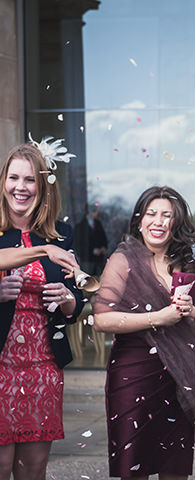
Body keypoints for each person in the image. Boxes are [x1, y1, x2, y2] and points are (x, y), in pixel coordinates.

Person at [92, 186, 195, 479]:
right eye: (151, 214)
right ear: (139, 221)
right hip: (133, 375)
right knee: (133, 465)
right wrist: (158, 318)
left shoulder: (190, 266)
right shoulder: (123, 261)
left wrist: (193, 313)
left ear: (176, 222)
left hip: (180, 380)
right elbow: (102, 320)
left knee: (174, 467)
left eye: (167, 215)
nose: (158, 221)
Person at [0, 142, 84, 480]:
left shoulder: (62, 234)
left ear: (43, 186)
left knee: (33, 468)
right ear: (3, 181)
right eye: (14, 177)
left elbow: (78, 300)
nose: (21, 187)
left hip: (43, 366)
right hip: (1, 364)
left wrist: (67, 299)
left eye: (30, 180)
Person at [74, 205, 109, 276]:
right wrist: (91, 251)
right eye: (96, 211)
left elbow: (104, 239)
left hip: (99, 260)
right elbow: (78, 245)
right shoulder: (80, 227)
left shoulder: (98, 224)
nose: (98, 213)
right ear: (90, 212)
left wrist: (103, 248)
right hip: (87, 261)